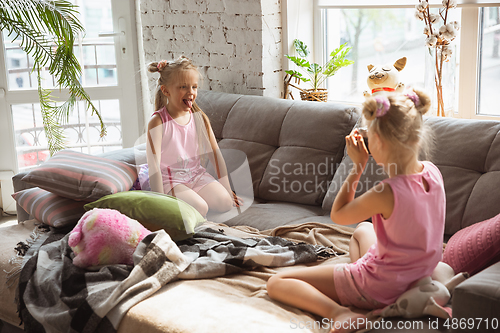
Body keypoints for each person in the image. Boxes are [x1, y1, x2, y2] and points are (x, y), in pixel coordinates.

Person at [266, 89, 450, 333]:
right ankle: (380, 281)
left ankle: (340, 312)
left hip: (382, 286)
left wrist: (358, 165)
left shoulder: (387, 192)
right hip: (417, 272)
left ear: (377, 144)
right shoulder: (432, 171)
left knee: (277, 281)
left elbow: (339, 215)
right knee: (363, 229)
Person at [137, 56, 240, 216]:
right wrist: (159, 200)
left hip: (195, 174)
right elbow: (155, 166)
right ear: (166, 90)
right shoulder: (157, 122)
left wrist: (226, 188)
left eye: (194, 87)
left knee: (226, 203)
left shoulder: (200, 118)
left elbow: (215, 155)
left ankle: (191, 199)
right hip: (169, 179)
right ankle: (187, 201)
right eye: (183, 87)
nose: (191, 92)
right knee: (201, 208)